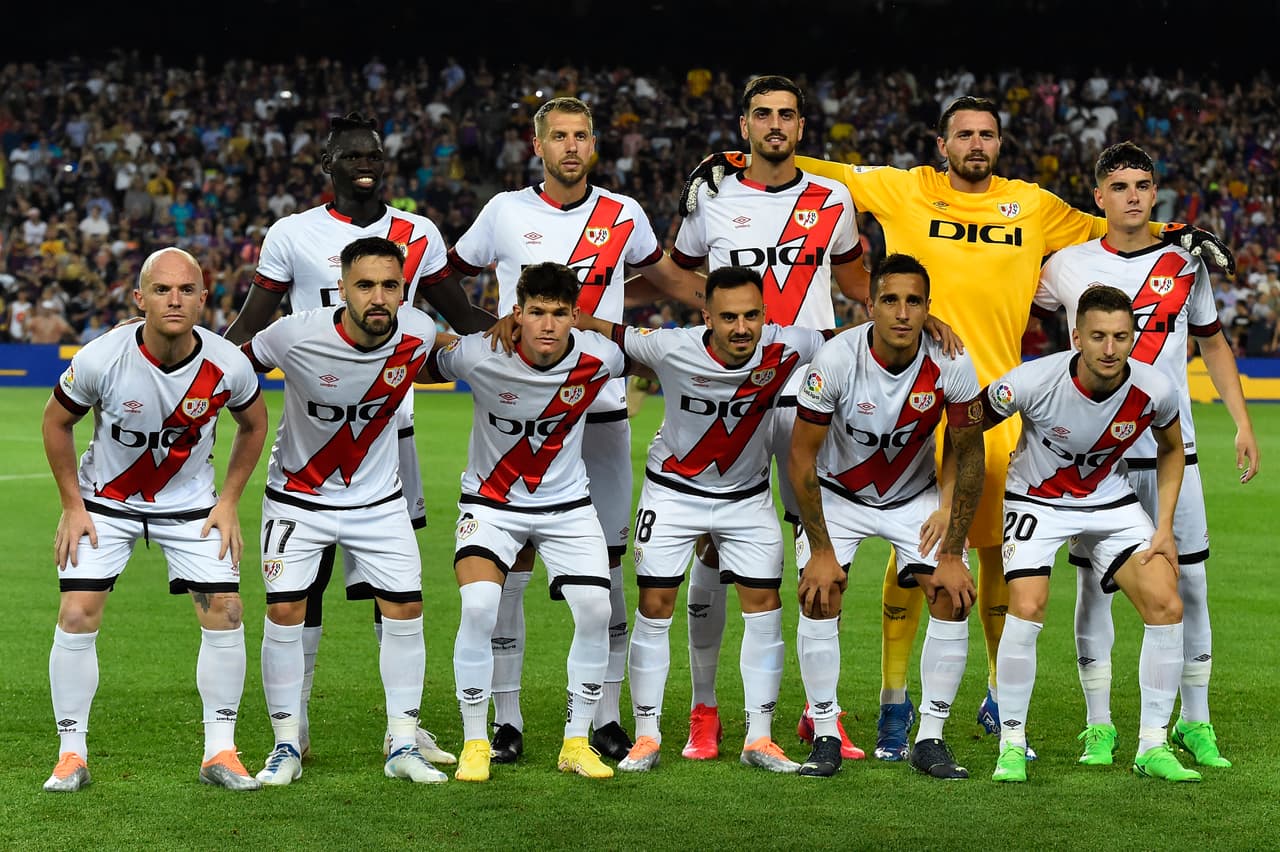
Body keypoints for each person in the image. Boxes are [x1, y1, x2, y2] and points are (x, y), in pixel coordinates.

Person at [680, 94, 1235, 761]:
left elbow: (1117, 223)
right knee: (910, 550)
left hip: (1000, 406)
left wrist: (1177, 234)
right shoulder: (905, 187)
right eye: (964, 134)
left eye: (988, 135)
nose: (976, 143)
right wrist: (741, 159)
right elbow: (826, 170)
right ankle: (893, 701)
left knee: (1000, 554)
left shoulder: (1032, 204)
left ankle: (1001, 699)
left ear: (999, 144)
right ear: (941, 145)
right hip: (916, 399)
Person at [445, 96, 703, 762]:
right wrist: (484, 332)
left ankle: (604, 714)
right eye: (557, 135)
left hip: (601, 407)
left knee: (606, 566)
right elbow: (447, 276)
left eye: (580, 136)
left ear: (594, 146)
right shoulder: (504, 211)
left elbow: (658, 276)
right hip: (521, 403)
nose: (569, 146)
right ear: (537, 145)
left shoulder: (624, 213)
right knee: (511, 566)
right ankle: (506, 721)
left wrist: (714, 298)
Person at [225, 112, 485, 765]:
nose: (365, 161)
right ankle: (297, 726)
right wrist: (183, 375)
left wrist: (543, 334)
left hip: (391, 435)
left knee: (390, 588)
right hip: (313, 435)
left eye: (374, 151)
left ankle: (404, 726)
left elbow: (463, 320)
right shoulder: (291, 234)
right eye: (351, 153)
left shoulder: (417, 233)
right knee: (300, 590)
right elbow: (250, 327)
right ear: (327, 163)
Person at [1032, 141, 1260, 769]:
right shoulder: (1064, 266)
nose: (1132, 195)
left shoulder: (1186, 263)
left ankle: (1196, 721)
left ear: (1153, 194)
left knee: (1192, 583)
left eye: (1142, 185)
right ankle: (1099, 724)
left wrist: (1241, 422)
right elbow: (1010, 308)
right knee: (1093, 589)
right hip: (1092, 458)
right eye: (1119, 186)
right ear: (1098, 197)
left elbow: (1212, 344)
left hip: (1172, 452)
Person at [670, 75, 866, 762]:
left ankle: (822, 713)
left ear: (803, 128)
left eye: (787, 115)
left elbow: (851, 279)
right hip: (736, 396)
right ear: (744, 125)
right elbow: (673, 273)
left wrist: (901, 321)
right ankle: (704, 710)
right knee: (710, 548)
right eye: (763, 115)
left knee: (824, 547)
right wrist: (721, 325)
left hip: (813, 393)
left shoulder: (832, 199)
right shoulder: (712, 195)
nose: (775, 125)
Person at [578, 265, 834, 774]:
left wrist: (925, 323)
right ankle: (648, 736)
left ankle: (758, 739)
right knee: (655, 606)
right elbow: (604, 328)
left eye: (751, 316)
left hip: (747, 497)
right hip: (672, 494)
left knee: (764, 608)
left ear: (766, 315)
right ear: (706, 317)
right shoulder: (670, 347)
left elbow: (855, 340)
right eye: (729, 318)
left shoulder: (791, 345)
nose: (742, 329)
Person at [41, 247, 268, 792]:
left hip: (191, 505)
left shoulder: (226, 363)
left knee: (227, 613)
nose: (174, 299)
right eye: (162, 290)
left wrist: (230, 500)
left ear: (203, 300)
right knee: (76, 614)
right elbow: (55, 423)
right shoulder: (102, 356)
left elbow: (255, 424)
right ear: (139, 298)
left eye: (186, 290)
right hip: (106, 502)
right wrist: (73, 506)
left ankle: (221, 751)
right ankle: (71, 755)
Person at [242, 237, 450, 786]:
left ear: (404, 290)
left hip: (379, 503)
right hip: (297, 498)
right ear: (342, 289)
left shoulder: (418, 332)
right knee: (285, 613)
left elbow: (447, 351)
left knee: (405, 611)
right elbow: (231, 370)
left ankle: (403, 744)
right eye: (365, 285)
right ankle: (287, 743)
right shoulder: (294, 333)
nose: (378, 297)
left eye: (390, 286)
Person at [984, 285, 1198, 783]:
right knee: (1029, 604)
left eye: (1120, 337)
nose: (1109, 348)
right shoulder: (1035, 380)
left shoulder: (1155, 388)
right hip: (1036, 499)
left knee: (1167, 604)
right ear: (1076, 336)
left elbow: (1171, 449)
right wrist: (956, 497)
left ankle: (1152, 744)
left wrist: (1163, 526)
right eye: (1098, 336)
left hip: (1109, 501)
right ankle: (1011, 743)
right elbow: (968, 421)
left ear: (1132, 338)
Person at [426, 262, 626, 783]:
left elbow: (642, 352)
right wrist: (461, 332)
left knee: (595, 608)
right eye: (535, 312)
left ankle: (576, 742)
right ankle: (475, 741)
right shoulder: (480, 354)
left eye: (559, 314)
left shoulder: (598, 358)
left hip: (567, 508)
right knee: (479, 605)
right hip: (490, 505)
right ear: (516, 313)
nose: (547, 325)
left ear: (575, 317)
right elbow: (428, 351)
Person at [788, 254, 985, 778]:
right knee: (820, 592)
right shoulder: (835, 359)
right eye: (890, 300)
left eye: (914, 301)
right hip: (839, 496)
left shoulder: (952, 361)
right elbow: (801, 458)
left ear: (928, 309)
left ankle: (930, 740)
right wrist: (823, 551)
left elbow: (968, 454)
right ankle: (825, 732)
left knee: (953, 593)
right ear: (869, 304)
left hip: (913, 497)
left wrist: (949, 541)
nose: (902, 312)